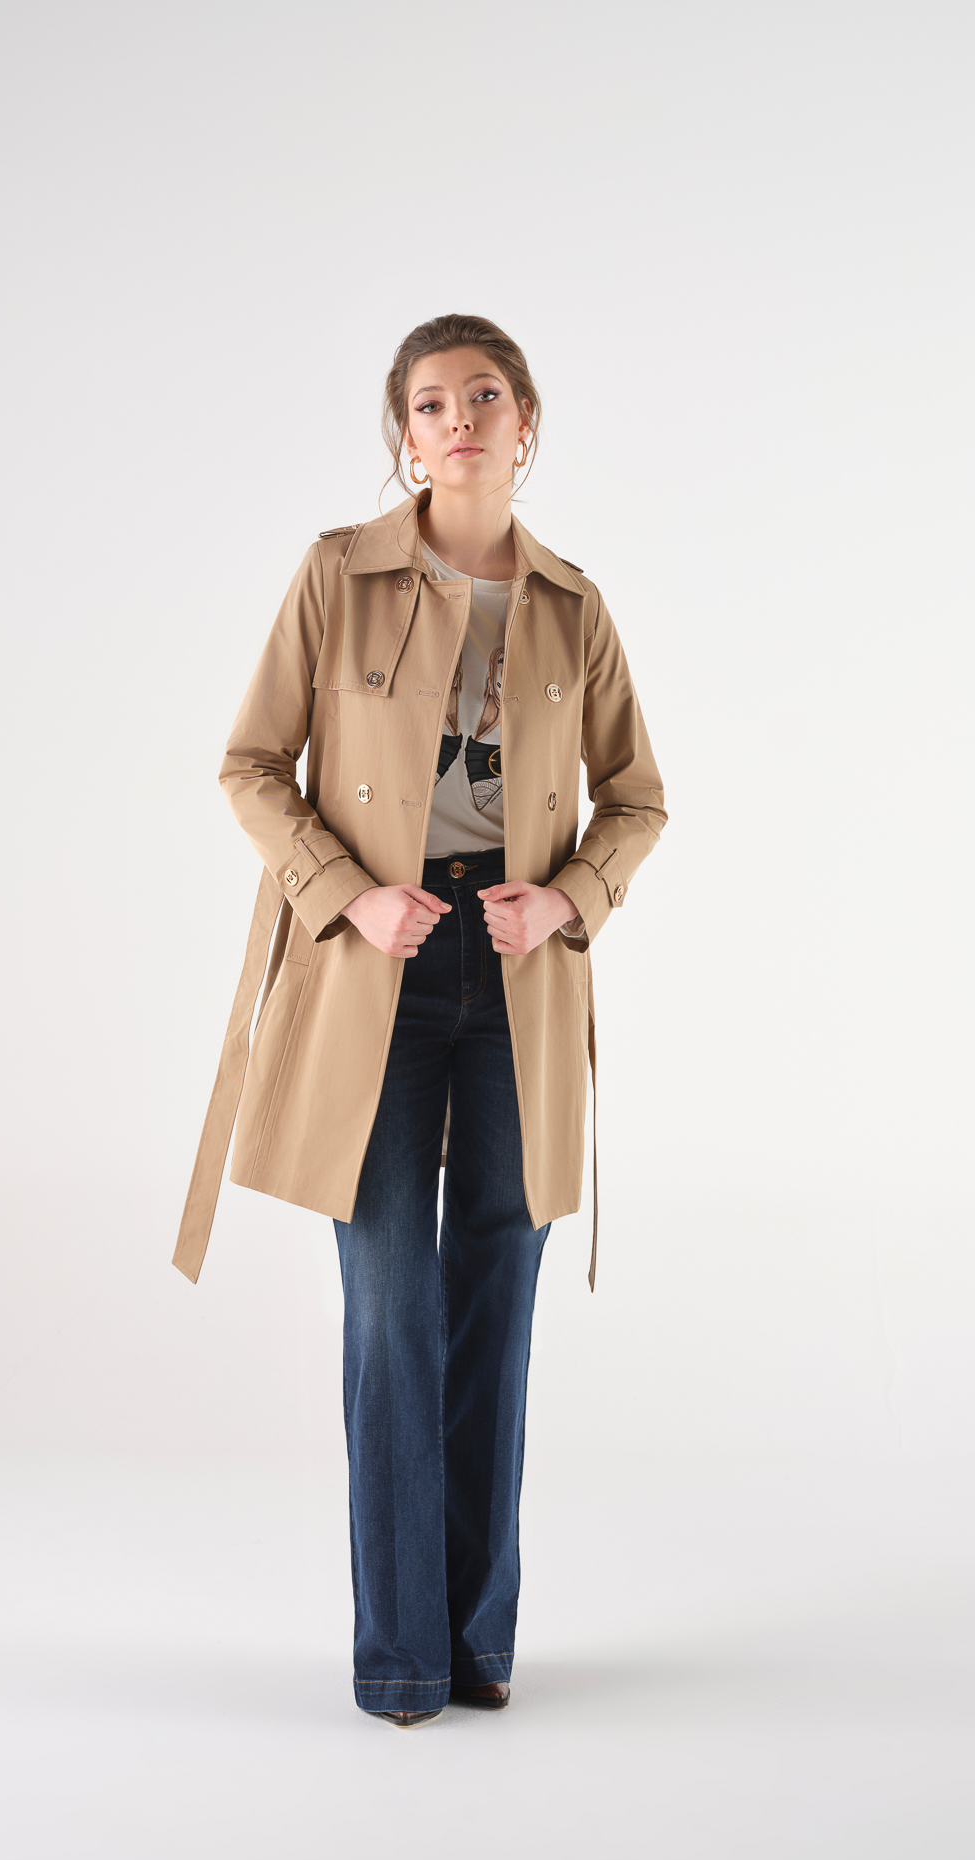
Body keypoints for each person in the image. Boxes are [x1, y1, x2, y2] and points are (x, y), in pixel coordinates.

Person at [174, 314, 667, 1727]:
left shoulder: (573, 606)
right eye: (433, 401)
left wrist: (566, 899)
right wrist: (350, 894)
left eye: (484, 395)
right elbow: (253, 765)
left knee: (493, 1306)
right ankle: (399, 1655)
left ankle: (477, 1640)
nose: (459, 419)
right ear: (406, 434)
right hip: (375, 970)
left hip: (516, 975)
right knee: (392, 1306)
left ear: (526, 424)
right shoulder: (338, 574)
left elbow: (638, 798)